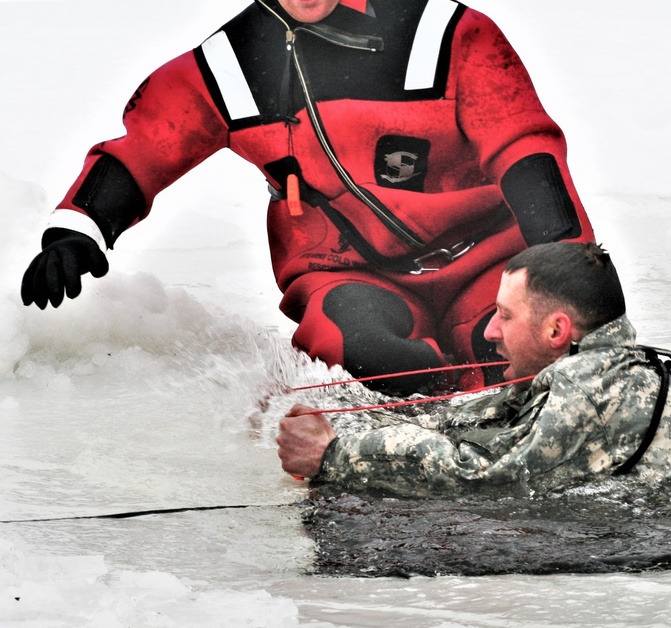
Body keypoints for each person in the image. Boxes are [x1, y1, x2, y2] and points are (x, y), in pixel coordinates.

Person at [19, 0, 595, 394]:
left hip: (495, 265)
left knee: (519, 354)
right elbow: (145, 146)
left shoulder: (448, 35)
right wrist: (80, 228)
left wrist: (569, 266)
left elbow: (525, 150)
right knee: (367, 354)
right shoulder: (230, 67)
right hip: (351, 274)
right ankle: (426, 457)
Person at [277, 242, 671, 496]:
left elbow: (491, 477)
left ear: (556, 331)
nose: (489, 331)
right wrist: (354, 419)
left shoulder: (588, 384)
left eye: (504, 316)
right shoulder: (601, 364)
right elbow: (481, 415)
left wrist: (337, 455)